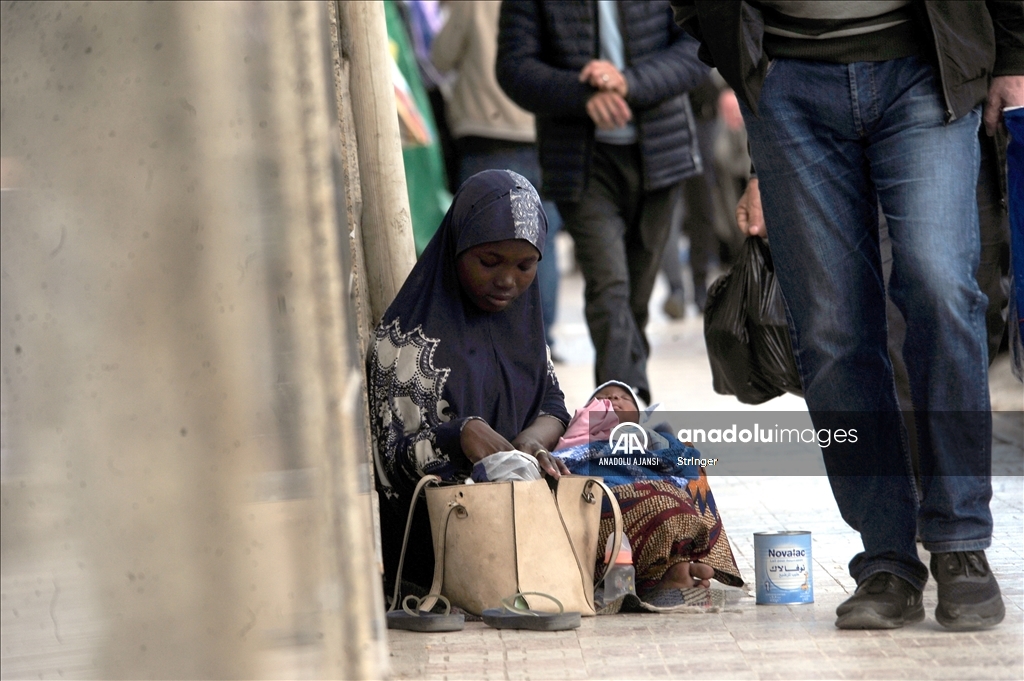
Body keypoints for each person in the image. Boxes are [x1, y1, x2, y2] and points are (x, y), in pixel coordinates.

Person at [672, 1, 1022, 630]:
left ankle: (960, 540)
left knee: (941, 287)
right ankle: (887, 558)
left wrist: (1015, 52)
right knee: (831, 330)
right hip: (787, 79)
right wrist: (737, 55)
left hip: (925, 64)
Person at [496, 0, 709, 404]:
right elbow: (514, 67)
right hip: (581, 162)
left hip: (660, 156)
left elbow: (698, 48)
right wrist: (582, 95)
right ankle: (622, 410)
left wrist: (628, 82)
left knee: (635, 299)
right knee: (609, 288)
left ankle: (625, 399)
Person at [367, 169, 570, 593]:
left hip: (524, 520)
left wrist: (531, 442)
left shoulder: (524, 330)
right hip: (443, 549)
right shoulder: (406, 344)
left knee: (650, 461)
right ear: (457, 247)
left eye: (525, 266)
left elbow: (552, 403)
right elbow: (390, 464)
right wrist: (460, 436)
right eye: (489, 262)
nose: (507, 281)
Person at [430, 0, 564, 353]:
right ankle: (540, 341)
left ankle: (491, 341)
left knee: (481, 243)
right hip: (545, 133)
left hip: (487, 136)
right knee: (540, 243)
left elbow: (440, 57)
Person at [551, 380, 744, 605]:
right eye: (603, 397)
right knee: (658, 501)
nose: (614, 399)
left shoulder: (655, 439)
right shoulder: (576, 442)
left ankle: (673, 570)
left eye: (624, 398)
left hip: (660, 499)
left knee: (679, 492)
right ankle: (671, 572)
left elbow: (685, 462)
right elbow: (564, 467)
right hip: (604, 506)